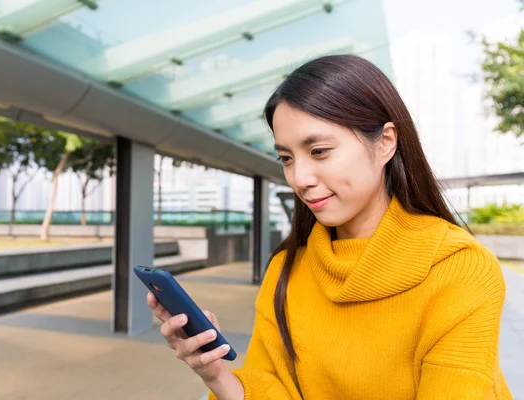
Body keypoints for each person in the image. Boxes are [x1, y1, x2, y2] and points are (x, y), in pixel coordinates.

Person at [147, 54, 514, 399]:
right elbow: (273, 386)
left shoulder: (459, 269)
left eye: (319, 151)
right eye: (286, 158)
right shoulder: (287, 270)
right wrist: (216, 375)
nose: (300, 178)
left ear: (385, 142)